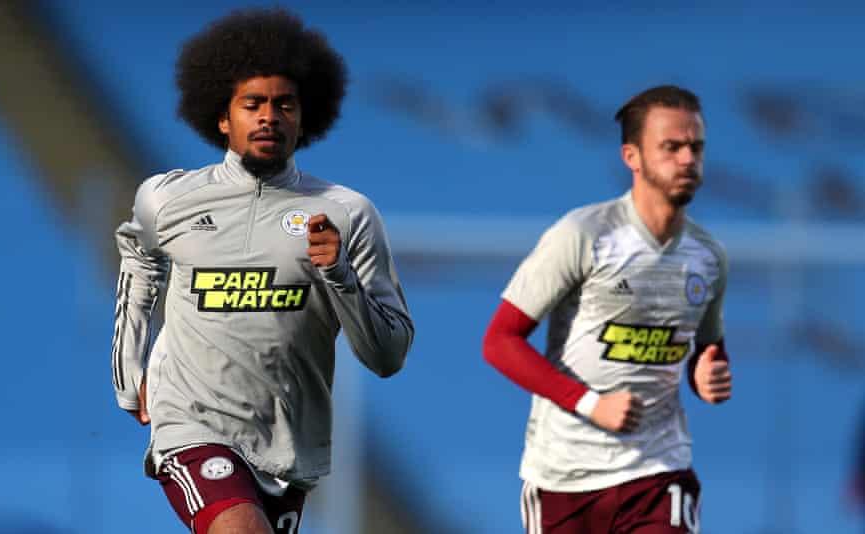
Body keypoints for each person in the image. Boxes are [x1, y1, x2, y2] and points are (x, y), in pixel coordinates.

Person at [110, 9, 413, 534]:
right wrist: (129, 369)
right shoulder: (168, 198)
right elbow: (140, 262)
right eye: (253, 104)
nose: (268, 116)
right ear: (223, 118)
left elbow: (388, 354)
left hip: (289, 445)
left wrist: (339, 273)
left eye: (284, 105)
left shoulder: (348, 213)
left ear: (303, 118)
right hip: (192, 421)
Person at [483, 85, 731, 534]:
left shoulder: (708, 256)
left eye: (696, 147)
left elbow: (707, 348)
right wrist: (590, 403)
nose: (687, 159)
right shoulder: (582, 235)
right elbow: (499, 342)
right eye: (671, 147)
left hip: (658, 472)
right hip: (563, 477)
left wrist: (705, 373)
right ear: (632, 157)